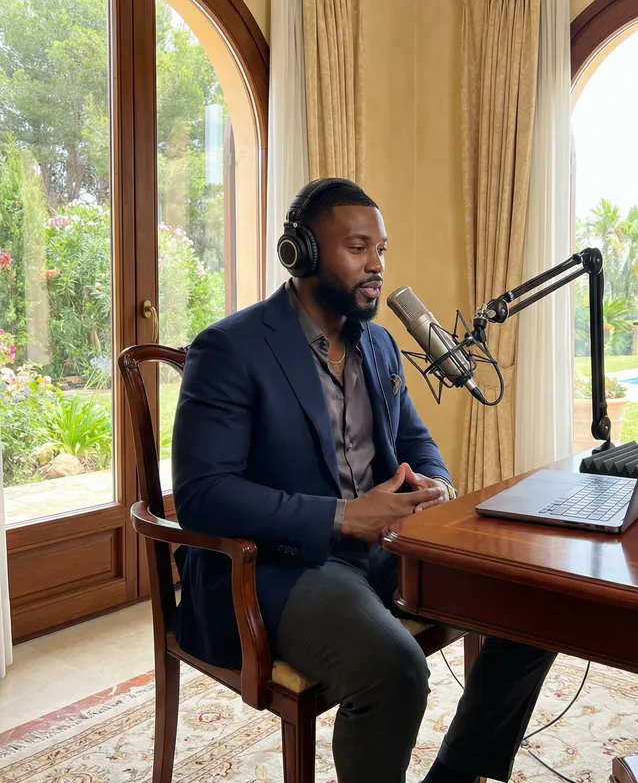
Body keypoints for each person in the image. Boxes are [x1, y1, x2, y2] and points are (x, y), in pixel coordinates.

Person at [171, 178, 557, 783]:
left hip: (384, 546)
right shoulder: (230, 348)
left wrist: (433, 487)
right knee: (394, 667)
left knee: (539, 600)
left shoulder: (377, 343)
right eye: (358, 248)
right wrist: (343, 517)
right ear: (301, 252)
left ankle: (455, 776)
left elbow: (414, 441)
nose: (377, 265)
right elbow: (203, 496)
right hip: (277, 567)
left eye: (381, 249)